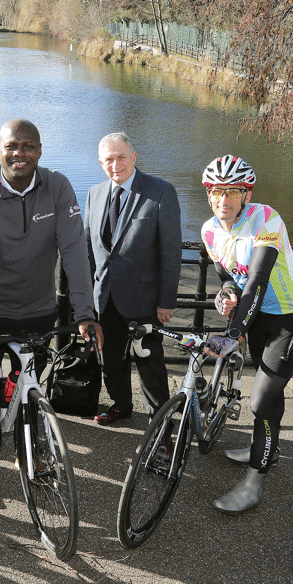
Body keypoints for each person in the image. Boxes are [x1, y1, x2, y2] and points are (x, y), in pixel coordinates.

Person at [0, 118, 100, 495]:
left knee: (30, 382)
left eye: (28, 146)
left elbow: (74, 253)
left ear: (40, 151)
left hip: (37, 308)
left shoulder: (58, 187)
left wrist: (85, 314)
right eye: (12, 146)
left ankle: (26, 447)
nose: (20, 153)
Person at [200, 154, 293, 514]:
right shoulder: (209, 230)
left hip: (289, 314)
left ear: (247, 194)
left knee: (260, 400)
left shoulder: (266, 219)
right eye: (216, 192)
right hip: (257, 317)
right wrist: (225, 293)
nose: (223, 200)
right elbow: (231, 279)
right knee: (270, 394)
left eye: (232, 192)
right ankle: (270, 448)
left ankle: (254, 483)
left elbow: (258, 280)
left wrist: (233, 333)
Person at [84, 132, 181, 426]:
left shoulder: (160, 191)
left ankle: (160, 421)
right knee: (112, 357)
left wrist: (166, 301)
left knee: (150, 361)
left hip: (145, 298)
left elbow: (171, 252)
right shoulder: (95, 194)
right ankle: (121, 405)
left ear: (134, 157)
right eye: (109, 159)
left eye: (121, 157)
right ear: (101, 163)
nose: (116, 165)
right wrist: (87, 302)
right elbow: (90, 250)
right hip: (106, 296)